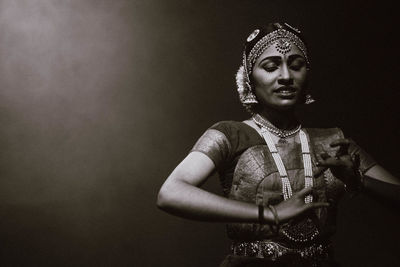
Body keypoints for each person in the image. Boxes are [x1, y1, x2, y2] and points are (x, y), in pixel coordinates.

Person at [156, 22, 400, 267]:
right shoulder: (230, 134)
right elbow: (170, 194)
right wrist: (269, 214)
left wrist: (357, 180)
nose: (285, 76)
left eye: (296, 66)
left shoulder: (334, 142)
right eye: (271, 67)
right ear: (250, 78)